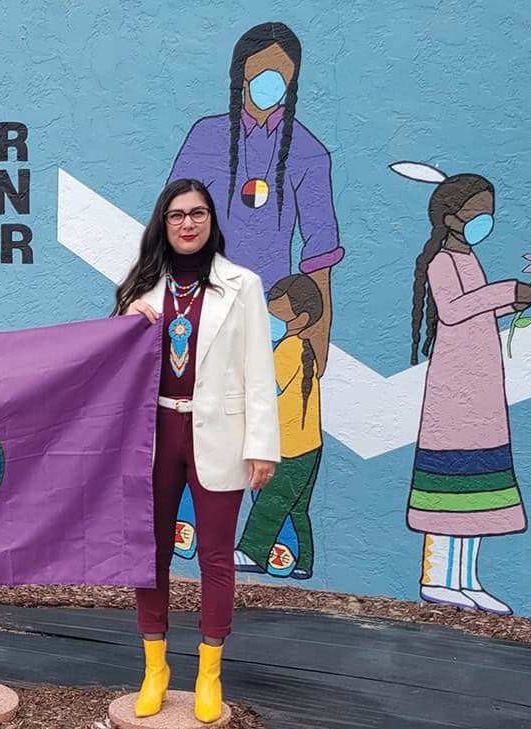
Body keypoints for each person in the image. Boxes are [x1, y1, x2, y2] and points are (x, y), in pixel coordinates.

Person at [112, 178, 281, 722]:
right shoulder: (142, 289)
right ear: (163, 223)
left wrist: (263, 447)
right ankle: (154, 669)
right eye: (177, 215)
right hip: (154, 434)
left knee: (214, 557)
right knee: (151, 555)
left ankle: (210, 672)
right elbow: (111, 363)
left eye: (199, 214)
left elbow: (259, 370)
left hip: (220, 436)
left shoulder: (243, 285)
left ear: (212, 222)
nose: (188, 224)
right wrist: (126, 321)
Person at [393, 161, 531, 615]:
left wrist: (511, 301)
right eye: (478, 212)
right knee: (449, 484)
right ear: (451, 217)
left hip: (480, 390)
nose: (484, 221)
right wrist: (504, 292)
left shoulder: (469, 258)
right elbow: (454, 310)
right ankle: (438, 578)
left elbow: (474, 311)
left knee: (479, 487)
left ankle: (467, 579)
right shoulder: (442, 261)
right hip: (453, 390)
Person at [168, 21, 343, 377]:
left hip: (270, 315)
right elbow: (171, 225)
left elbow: (319, 253)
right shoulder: (206, 138)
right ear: (241, 72)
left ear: (293, 78)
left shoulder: (309, 152)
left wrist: (316, 340)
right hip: (200, 306)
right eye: (262, 69)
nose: (270, 80)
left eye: (281, 73)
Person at [236, 273, 325, 580]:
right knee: (296, 508)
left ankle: (252, 551)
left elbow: (267, 386)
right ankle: (303, 562)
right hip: (308, 447)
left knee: (270, 501)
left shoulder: (288, 349)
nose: (269, 320)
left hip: (289, 448)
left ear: (300, 319)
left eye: (275, 315)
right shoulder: (299, 346)